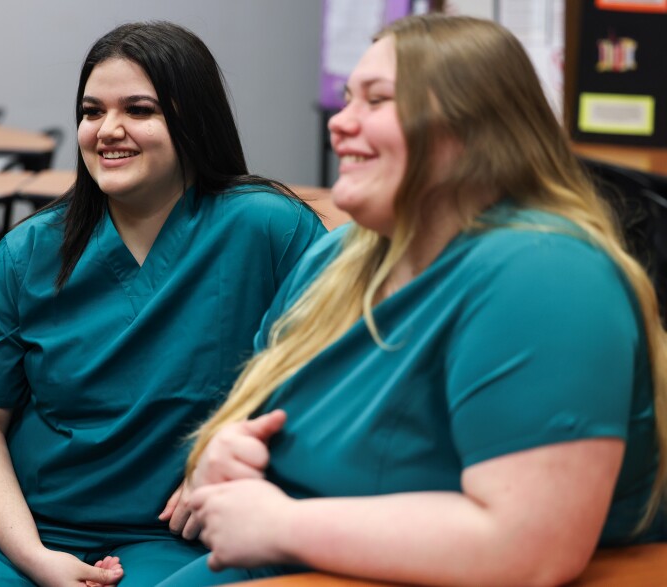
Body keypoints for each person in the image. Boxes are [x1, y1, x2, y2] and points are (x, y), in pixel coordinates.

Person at [157, 14, 667, 587]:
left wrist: (283, 523)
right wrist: (220, 454)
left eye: (377, 101)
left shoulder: (546, 273)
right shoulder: (342, 255)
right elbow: (251, 410)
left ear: (474, 130)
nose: (340, 125)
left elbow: (532, 547)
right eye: (347, 99)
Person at [0, 21, 325, 587]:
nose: (107, 130)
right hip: (35, 527)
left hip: (187, 530)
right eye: (92, 111)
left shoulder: (269, 229)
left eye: (139, 110)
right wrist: (32, 556)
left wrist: (234, 459)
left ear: (193, 120)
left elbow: (334, 379)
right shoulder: (29, 252)